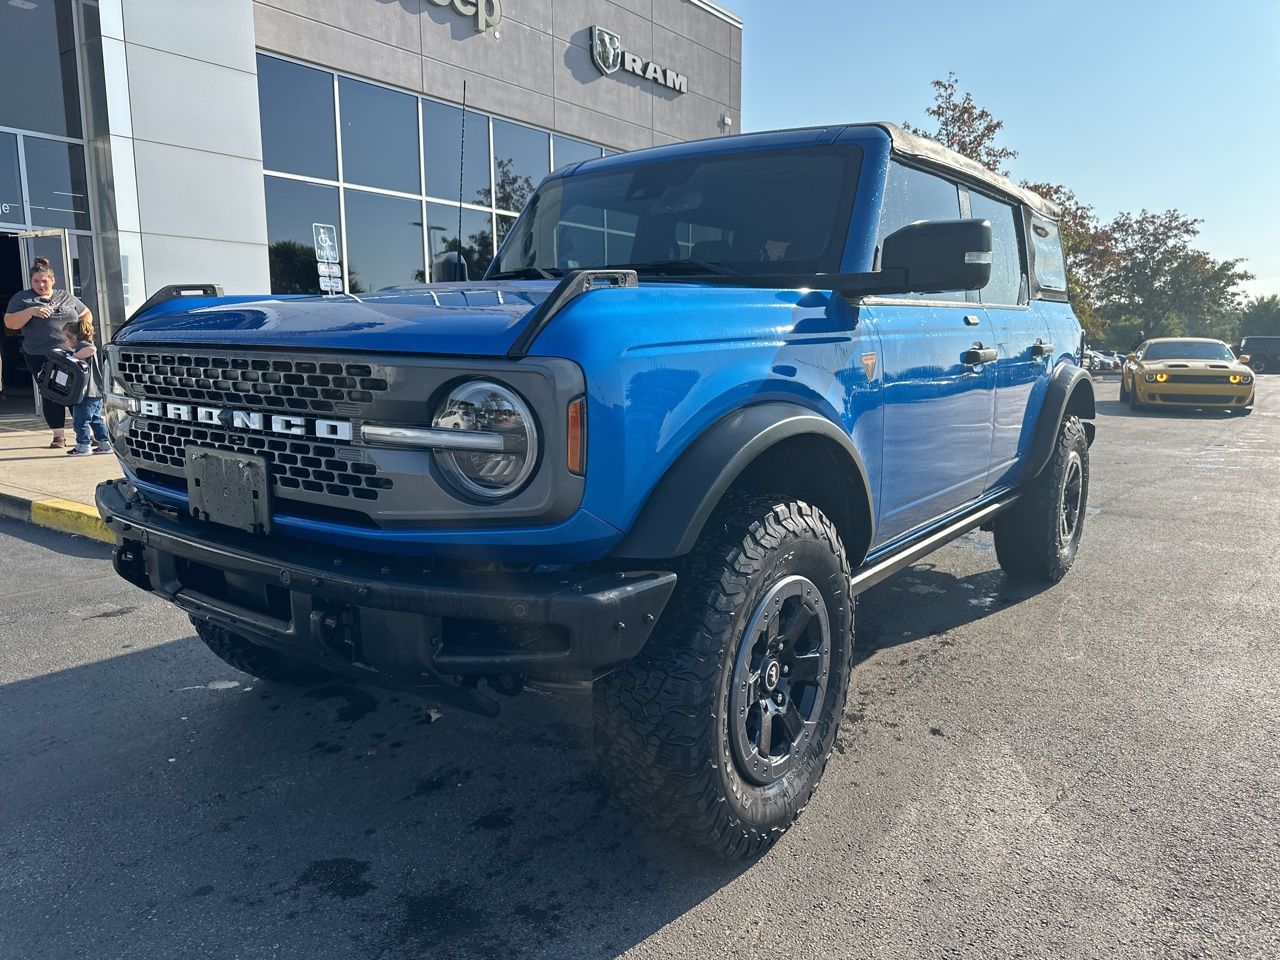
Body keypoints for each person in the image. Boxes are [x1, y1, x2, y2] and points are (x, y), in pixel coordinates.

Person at [3, 257, 93, 447]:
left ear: (52, 280)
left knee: (75, 391)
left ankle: (83, 432)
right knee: (52, 392)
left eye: (44, 281)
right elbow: (10, 323)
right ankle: (58, 436)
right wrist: (31, 312)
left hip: (70, 354)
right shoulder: (22, 298)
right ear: (31, 282)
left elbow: (86, 313)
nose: (41, 285)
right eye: (36, 281)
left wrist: (82, 333)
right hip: (40, 354)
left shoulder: (65, 296)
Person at [58, 319, 110, 456]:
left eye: (65, 339)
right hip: (95, 391)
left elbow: (91, 349)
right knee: (95, 419)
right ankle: (104, 444)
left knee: (81, 420)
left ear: (74, 337)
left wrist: (74, 356)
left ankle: (83, 445)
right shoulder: (81, 346)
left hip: (86, 392)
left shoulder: (83, 346)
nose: (65, 343)